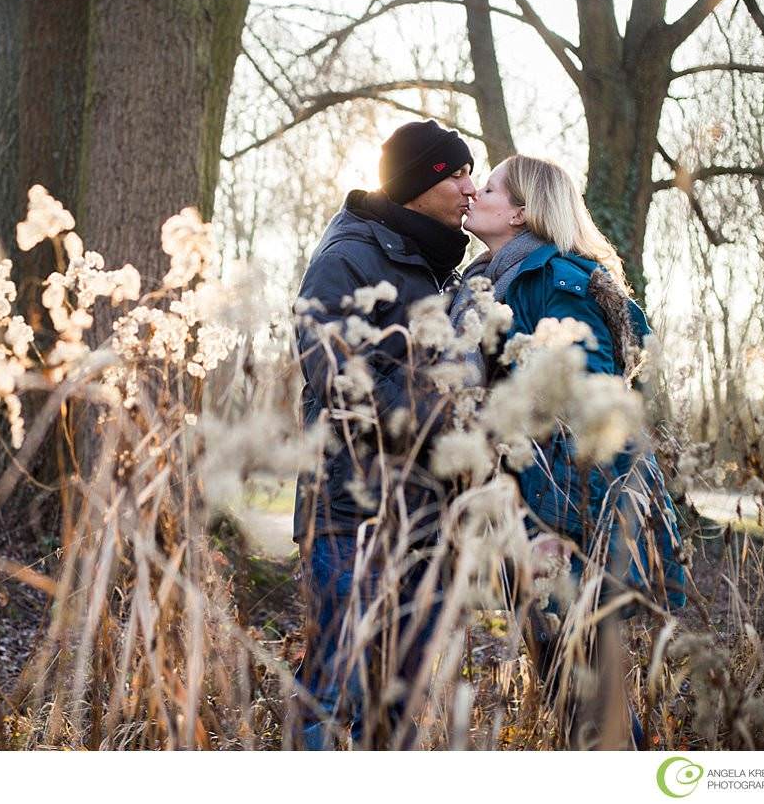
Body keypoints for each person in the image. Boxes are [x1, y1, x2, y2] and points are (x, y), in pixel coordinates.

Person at [457, 154, 687, 748]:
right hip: (526, 509)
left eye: (489, 188)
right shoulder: (499, 278)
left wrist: (561, 531)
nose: (474, 194)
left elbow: (593, 416)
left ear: (522, 210)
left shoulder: (557, 281)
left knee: (589, 693)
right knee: (565, 683)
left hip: (563, 519)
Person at [291, 119, 476, 749]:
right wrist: (443, 409)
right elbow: (337, 372)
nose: (469, 188)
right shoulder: (349, 256)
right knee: (332, 686)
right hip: (351, 516)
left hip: (420, 518)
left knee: (400, 694)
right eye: (458, 173)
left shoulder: (430, 263)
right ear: (421, 183)